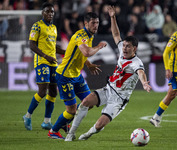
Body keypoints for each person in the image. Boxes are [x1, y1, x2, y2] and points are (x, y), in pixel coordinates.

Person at [64, 5, 151, 141]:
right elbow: (116, 34)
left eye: (128, 47)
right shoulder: (122, 51)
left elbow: (141, 73)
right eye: (124, 46)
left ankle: (88, 134)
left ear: (135, 48)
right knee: (86, 101)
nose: (124, 48)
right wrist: (112, 17)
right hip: (109, 89)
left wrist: (144, 83)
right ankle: (71, 133)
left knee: (99, 125)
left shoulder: (136, 63)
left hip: (119, 99)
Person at [48, 12, 107, 139]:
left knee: (89, 102)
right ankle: (53, 131)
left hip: (76, 75)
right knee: (71, 110)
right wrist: (99, 46)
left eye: (97, 22)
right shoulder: (80, 35)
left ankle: (65, 123)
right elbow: (86, 51)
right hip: (65, 75)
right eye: (93, 23)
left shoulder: (89, 36)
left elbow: (78, 53)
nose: (96, 25)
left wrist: (88, 64)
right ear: (86, 23)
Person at [22, 2, 66, 131]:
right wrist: (45, 56)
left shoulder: (53, 28)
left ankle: (47, 121)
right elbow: (32, 45)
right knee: (42, 91)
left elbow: (54, 48)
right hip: (42, 61)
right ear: (43, 13)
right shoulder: (37, 26)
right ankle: (27, 116)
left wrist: (68, 52)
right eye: (47, 11)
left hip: (53, 62)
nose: (50, 14)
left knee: (53, 92)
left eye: (52, 12)